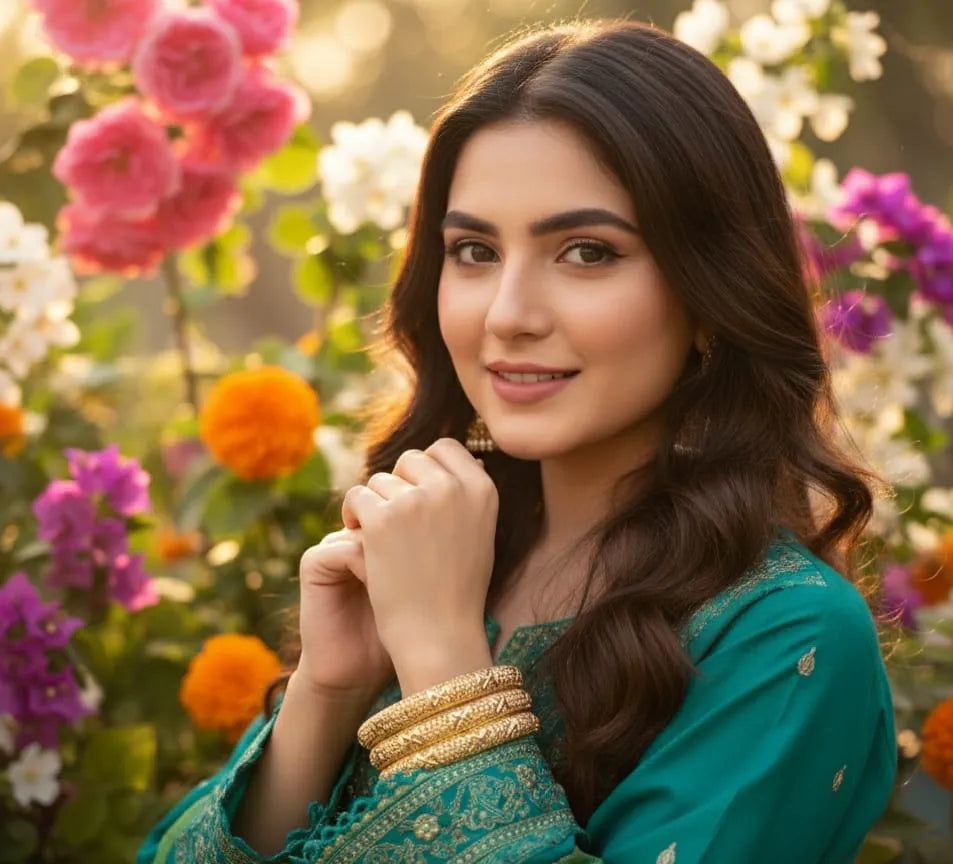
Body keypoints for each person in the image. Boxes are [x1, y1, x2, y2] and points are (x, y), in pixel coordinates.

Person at [139, 19, 897, 864]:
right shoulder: (436, 555)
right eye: (472, 250)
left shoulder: (785, 637)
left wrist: (442, 665)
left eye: (584, 251)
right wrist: (328, 688)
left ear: (708, 286)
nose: (506, 314)